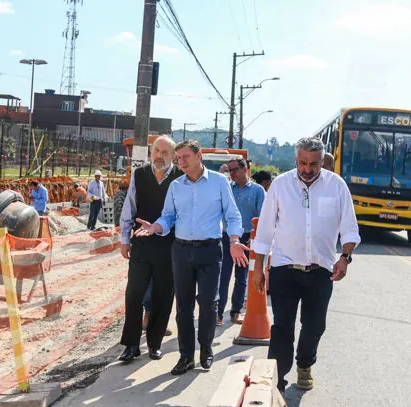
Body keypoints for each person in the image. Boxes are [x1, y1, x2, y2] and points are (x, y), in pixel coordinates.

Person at [252, 137, 360, 394]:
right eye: (303, 162)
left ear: (323, 161)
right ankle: (276, 380)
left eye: (313, 163)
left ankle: (304, 364)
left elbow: (349, 228)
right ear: (296, 160)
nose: (307, 169)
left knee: (314, 326)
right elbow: (265, 230)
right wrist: (259, 267)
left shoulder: (337, 186)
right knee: (282, 328)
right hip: (284, 270)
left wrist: (345, 258)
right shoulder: (280, 185)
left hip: (321, 271)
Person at [135, 139, 249, 375]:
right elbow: (168, 216)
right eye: (179, 158)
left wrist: (235, 240)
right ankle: (186, 356)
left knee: (208, 302)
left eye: (186, 157)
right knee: (183, 306)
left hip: (210, 250)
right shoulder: (176, 186)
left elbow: (233, 215)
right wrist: (156, 227)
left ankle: (205, 349)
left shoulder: (219, 182)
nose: (181, 162)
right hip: (181, 250)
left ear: (199, 157)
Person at [118, 136, 182, 363]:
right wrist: (124, 239)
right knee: (134, 293)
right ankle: (131, 345)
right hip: (141, 243)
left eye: (165, 152)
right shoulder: (140, 174)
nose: (159, 156)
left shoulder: (179, 178)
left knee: (163, 296)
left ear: (174, 156)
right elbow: (129, 207)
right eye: (156, 150)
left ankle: (154, 344)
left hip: (169, 246)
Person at [217, 158, 265, 326]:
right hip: (227, 237)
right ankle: (218, 313)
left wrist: (256, 239)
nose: (232, 173)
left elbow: (261, 218)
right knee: (223, 276)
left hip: (246, 238)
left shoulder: (258, 191)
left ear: (245, 169)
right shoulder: (227, 188)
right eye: (230, 170)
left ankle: (236, 311)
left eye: (235, 169)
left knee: (242, 277)